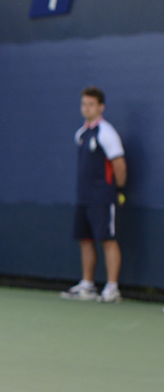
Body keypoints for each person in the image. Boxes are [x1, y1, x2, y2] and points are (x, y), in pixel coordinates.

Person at [61, 86, 127, 303]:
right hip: (84, 197)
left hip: (103, 196)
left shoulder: (106, 132)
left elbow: (119, 164)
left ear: (101, 107)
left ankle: (112, 288)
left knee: (107, 240)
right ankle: (88, 285)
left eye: (91, 104)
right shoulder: (81, 134)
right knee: (85, 239)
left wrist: (118, 190)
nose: (86, 108)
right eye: (84, 104)